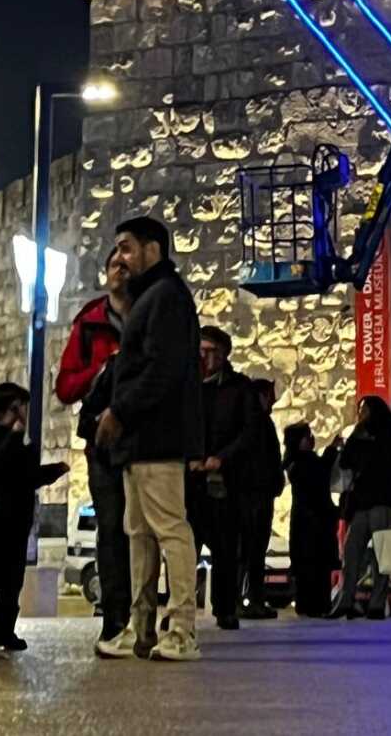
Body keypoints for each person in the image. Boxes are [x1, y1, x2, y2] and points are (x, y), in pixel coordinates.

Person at [94, 216, 203, 663]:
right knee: (138, 533)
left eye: (126, 247)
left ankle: (181, 629)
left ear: (152, 248)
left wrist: (120, 411)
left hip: (158, 436)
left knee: (169, 530)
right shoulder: (150, 297)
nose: (120, 258)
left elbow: (162, 367)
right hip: (140, 441)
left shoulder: (167, 296)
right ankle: (139, 628)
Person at [55, 243, 131, 643]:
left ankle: (144, 614)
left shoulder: (155, 315)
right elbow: (66, 387)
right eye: (115, 263)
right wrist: (102, 370)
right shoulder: (90, 323)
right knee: (112, 529)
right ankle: (115, 617)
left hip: (148, 441)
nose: (121, 269)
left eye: (127, 262)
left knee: (149, 530)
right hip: (103, 445)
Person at [0, 382, 68, 655]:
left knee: (13, 579)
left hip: (16, 520)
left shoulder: (22, 445)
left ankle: (5, 630)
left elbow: (27, 477)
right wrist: (13, 435)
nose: (22, 413)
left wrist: (53, 472)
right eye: (15, 408)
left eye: (23, 407)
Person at [186, 325, 259, 630]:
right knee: (184, 547)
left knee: (226, 547)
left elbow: (250, 431)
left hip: (226, 482)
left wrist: (223, 458)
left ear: (225, 354)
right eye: (202, 351)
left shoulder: (240, 388)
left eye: (213, 352)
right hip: (190, 481)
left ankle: (225, 608)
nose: (207, 358)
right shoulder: (186, 387)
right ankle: (181, 609)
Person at [327, 396, 391, 621]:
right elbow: (347, 462)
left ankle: (376, 604)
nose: (360, 413)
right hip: (363, 502)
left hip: (381, 501)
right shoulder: (362, 434)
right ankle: (347, 600)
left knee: (381, 555)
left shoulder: (386, 434)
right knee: (353, 551)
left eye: (364, 409)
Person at [237, 378, 284, 619]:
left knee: (252, 550)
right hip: (255, 494)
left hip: (258, 493)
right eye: (269, 395)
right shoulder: (256, 423)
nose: (273, 401)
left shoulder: (259, 422)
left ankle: (249, 599)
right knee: (251, 550)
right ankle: (246, 599)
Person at [284, 422, 341, 617]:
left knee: (306, 568)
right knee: (316, 567)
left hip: (304, 523)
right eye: (307, 436)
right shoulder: (304, 463)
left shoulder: (293, 463)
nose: (311, 439)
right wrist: (332, 450)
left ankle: (307, 604)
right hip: (314, 526)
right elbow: (321, 475)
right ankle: (318, 605)